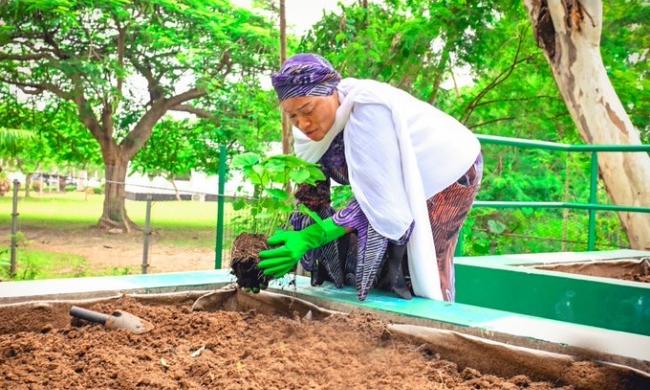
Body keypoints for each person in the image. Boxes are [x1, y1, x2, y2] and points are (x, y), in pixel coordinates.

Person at [258, 53, 482, 302]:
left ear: (332, 92)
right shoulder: (309, 137)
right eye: (292, 117)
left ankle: (438, 321)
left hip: (446, 168)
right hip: (395, 182)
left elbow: (381, 201)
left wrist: (309, 238)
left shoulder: (368, 111)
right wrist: (296, 237)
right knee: (374, 260)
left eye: (308, 110)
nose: (303, 123)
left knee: (424, 260)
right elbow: (313, 199)